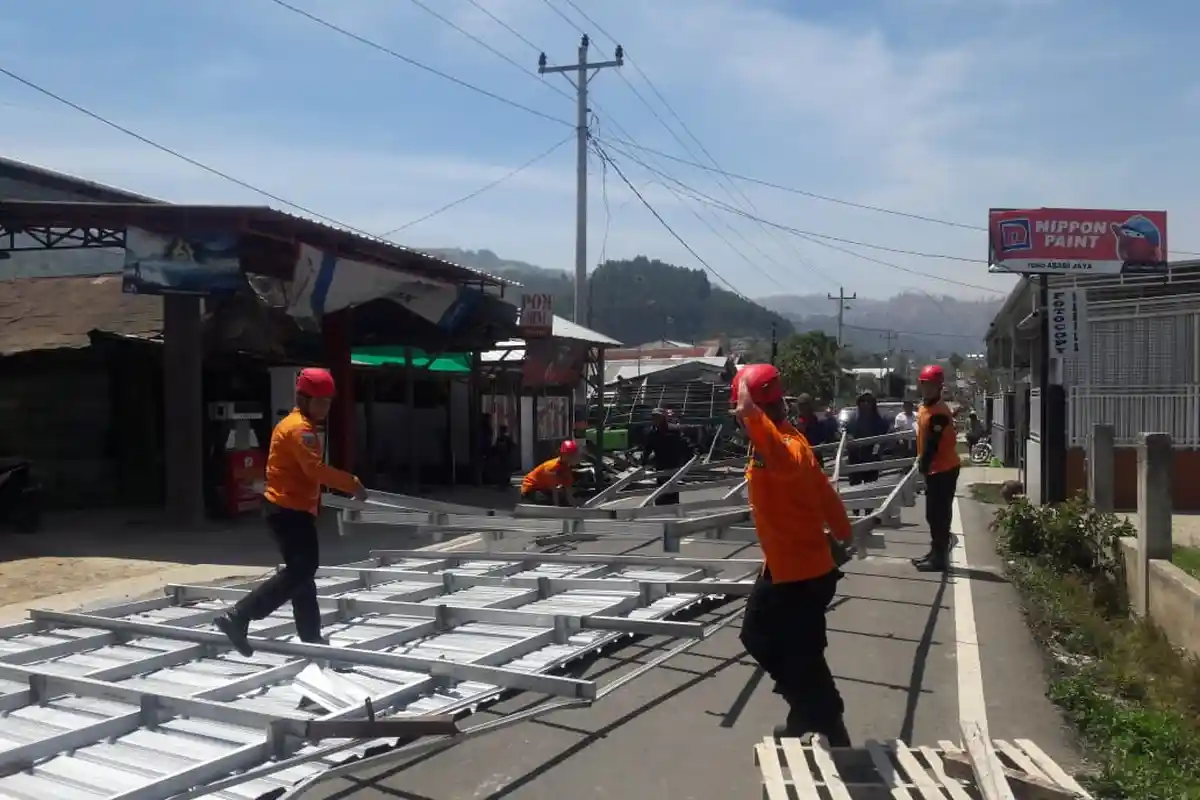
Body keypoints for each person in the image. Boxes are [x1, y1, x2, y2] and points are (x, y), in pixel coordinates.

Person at [733, 363, 853, 745]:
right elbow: (823, 492)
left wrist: (751, 414)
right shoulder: (784, 441)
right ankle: (810, 711)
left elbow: (787, 463)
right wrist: (843, 531)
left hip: (801, 573)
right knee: (791, 646)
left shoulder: (783, 447)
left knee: (772, 640)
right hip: (790, 566)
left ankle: (822, 715)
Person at [215, 367, 368, 656]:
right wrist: (352, 484)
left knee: (302, 575)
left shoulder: (297, 424)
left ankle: (311, 638)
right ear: (304, 399)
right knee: (302, 570)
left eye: (328, 402)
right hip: (288, 511)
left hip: (287, 509)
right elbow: (315, 470)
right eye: (321, 401)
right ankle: (240, 615)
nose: (326, 407)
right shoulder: (300, 429)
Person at [913, 364, 961, 573]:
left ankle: (940, 558)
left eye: (931, 386)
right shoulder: (926, 407)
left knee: (939, 514)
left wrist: (923, 464)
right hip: (936, 468)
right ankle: (934, 552)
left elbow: (932, 444)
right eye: (924, 385)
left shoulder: (939, 413)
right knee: (932, 515)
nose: (927, 389)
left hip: (944, 468)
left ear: (939, 387)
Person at [642, 408, 692, 505]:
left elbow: (685, 446)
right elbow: (648, 449)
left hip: (674, 464)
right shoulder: (652, 433)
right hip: (660, 465)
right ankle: (661, 509)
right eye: (654, 417)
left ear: (663, 418)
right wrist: (643, 461)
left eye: (658, 417)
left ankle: (673, 508)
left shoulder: (674, 430)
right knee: (661, 490)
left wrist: (686, 460)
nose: (655, 420)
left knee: (672, 490)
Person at [846, 392, 889, 488]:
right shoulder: (852, 418)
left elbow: (883, 437)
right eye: (862, 401)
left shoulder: (879, 420)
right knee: (854, 487)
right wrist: (849, 440)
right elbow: (846, 432)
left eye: (868, 401)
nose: (865, 404)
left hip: (871, 456)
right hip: (855, 457)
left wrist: (878, 448)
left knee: (870, 486)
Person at [520, 440, 581, 506]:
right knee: (549, 501)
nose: (573, 457)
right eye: (570, 455)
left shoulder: (566, 467)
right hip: (530, 489)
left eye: (573, 455)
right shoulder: (551, 467)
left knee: (563, 500)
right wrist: (558, 509)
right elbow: (554, 490)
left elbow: (568, 487)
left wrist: (573, 506)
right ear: (563, 454)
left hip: (544, 488)